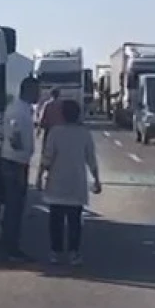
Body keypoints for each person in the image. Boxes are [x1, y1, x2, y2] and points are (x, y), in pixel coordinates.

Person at [40, 98, 102, 265]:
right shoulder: (84, 133)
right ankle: (74, 252)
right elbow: (91, 159)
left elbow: (47, 158)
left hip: (57, 183)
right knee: (75, 220)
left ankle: (56, 251)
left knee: (56, 220)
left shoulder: (55, 132)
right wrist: (96, 180)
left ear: (62, 114)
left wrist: (39, 177)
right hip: (76, 182)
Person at [0, 76, 40, 261]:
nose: (39, 94)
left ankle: (11, 245)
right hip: (15, 163)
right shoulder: (18, 110)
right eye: (36, 91)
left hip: (16, 162)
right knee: (14, 207)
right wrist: (21, 155)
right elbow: (14, 134)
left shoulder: (23, 108)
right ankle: (11, 249)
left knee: (15, 206)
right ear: (28, 90)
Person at [33, 87, 64, 187]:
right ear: (58, 94)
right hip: (60, 134)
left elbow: (42, 120)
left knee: (45, 156)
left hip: (49, 132)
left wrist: (38, 130)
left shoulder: (47, 105)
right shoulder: (62, 105)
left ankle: (39, 180)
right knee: (58, 157)